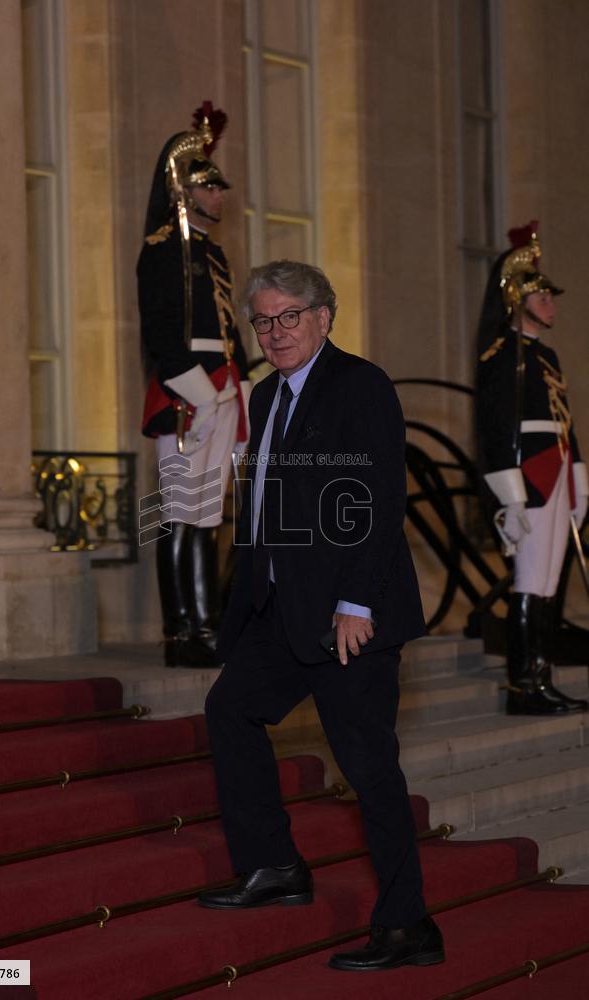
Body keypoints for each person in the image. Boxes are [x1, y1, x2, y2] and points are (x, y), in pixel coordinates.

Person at [198, 260, 445, 972]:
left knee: (369, 769)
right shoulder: (267, 394)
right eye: (263, 321)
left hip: (347, 617)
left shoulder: (360, 384)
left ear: (324, 317)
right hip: (282, 609)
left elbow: (379, 498)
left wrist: (356, 602)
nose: (276, 332)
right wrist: (248, 597)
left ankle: (409, 926)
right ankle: (273, 866)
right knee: (230, 710)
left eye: (290, 317)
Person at [137, 103, 250, 668]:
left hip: (223, 390)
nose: (218, 195)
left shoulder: (213, 254)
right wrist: (202, 394)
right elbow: (161, 332)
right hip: (186, 393)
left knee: (208, 517)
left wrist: (243, 391)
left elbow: (230, 331)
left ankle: (208, 626)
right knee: (180, 513)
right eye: (208, 185)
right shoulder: (163, 249)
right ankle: (180, 631)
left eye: (218, 186)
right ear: (182, 188)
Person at [476, 221, 588, 715]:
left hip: (557, 470)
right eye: (542, 297)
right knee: (530, 580)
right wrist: (511, 494)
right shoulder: (505, 357)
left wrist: (579, 477)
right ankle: (524, 684)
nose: (551, 305)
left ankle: (541, 677)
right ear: (517, 300)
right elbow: (496, 428)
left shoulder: (546, 355)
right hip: (531, 475)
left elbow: (565, 421)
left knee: (547, 584)